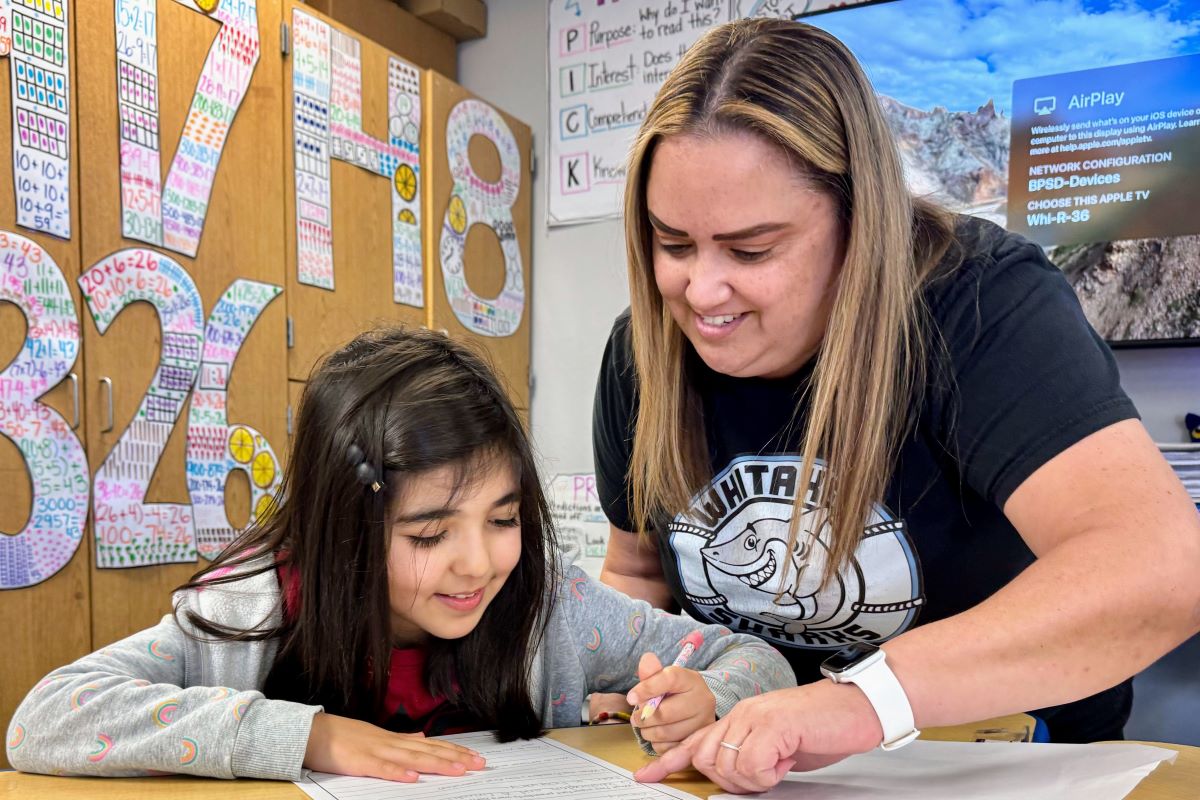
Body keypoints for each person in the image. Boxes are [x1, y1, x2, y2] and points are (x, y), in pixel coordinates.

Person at [592, 17, 1200, 794]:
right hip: (751, 771)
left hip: (1003, 763)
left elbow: (1161, 569)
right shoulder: (642, 352)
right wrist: (638, 682)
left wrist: (860, 700)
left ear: (861, 222)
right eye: (673, 244)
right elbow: (637, 571)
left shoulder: (980, 304)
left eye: (751, 250)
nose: (702, 293)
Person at [6, 327, 794, 782]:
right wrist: (304, 736)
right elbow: (42, 722)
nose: (479, 564)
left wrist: (709, 698)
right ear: (343, 530)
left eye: (505, 517)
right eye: (428, 535)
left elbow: (753, 658)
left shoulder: (551, 607)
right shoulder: (251, 612)